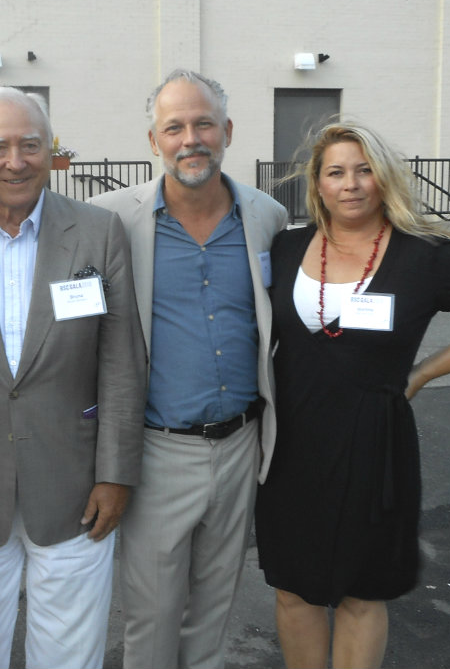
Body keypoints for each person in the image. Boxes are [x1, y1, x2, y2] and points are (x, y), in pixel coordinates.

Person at [255, 122, 450, 668]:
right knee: (293, 587)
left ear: (384, 179)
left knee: (362, 591)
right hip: (289, 443)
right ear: (318, 184)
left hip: (374, 443)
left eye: (364, 171)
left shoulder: (425, 256)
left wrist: (421, 374)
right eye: (336, 172)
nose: (351, 184)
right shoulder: (286, 248)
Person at [0, 87, 146, 669]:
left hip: (76, 488)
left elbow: (121, 361)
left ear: (52, 151)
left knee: (70, 654)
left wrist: (116, 473)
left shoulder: (98, 231)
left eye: (30, 145)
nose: (15, 161)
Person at [93, 69, 289, 669]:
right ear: (154, 141)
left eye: (203, 124)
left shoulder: (267, 216)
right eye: (174, 127)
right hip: (158, 452)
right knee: (152, 618)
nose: (190, 139)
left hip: (241, 446)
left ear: (227, 131)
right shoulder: (110, 221)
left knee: (213, 612)